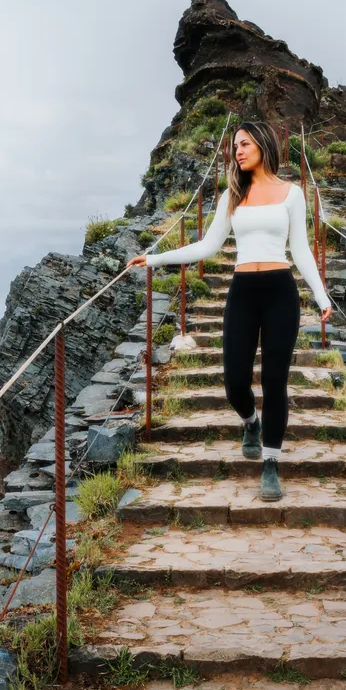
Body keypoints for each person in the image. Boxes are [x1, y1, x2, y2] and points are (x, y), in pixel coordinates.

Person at [130, 122, 331, 501]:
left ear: (263, 144)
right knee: (234, 380)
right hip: (242, 291)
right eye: (234, 145)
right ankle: (250, 422)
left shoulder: (292, 193)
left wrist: (321, 297)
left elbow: (301, 250)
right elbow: (206, 246)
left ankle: (270, 464)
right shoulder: (232, 195)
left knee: (275, 381)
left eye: (244, 143)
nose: (237, 151)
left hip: (279, 291)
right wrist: (154, 258)